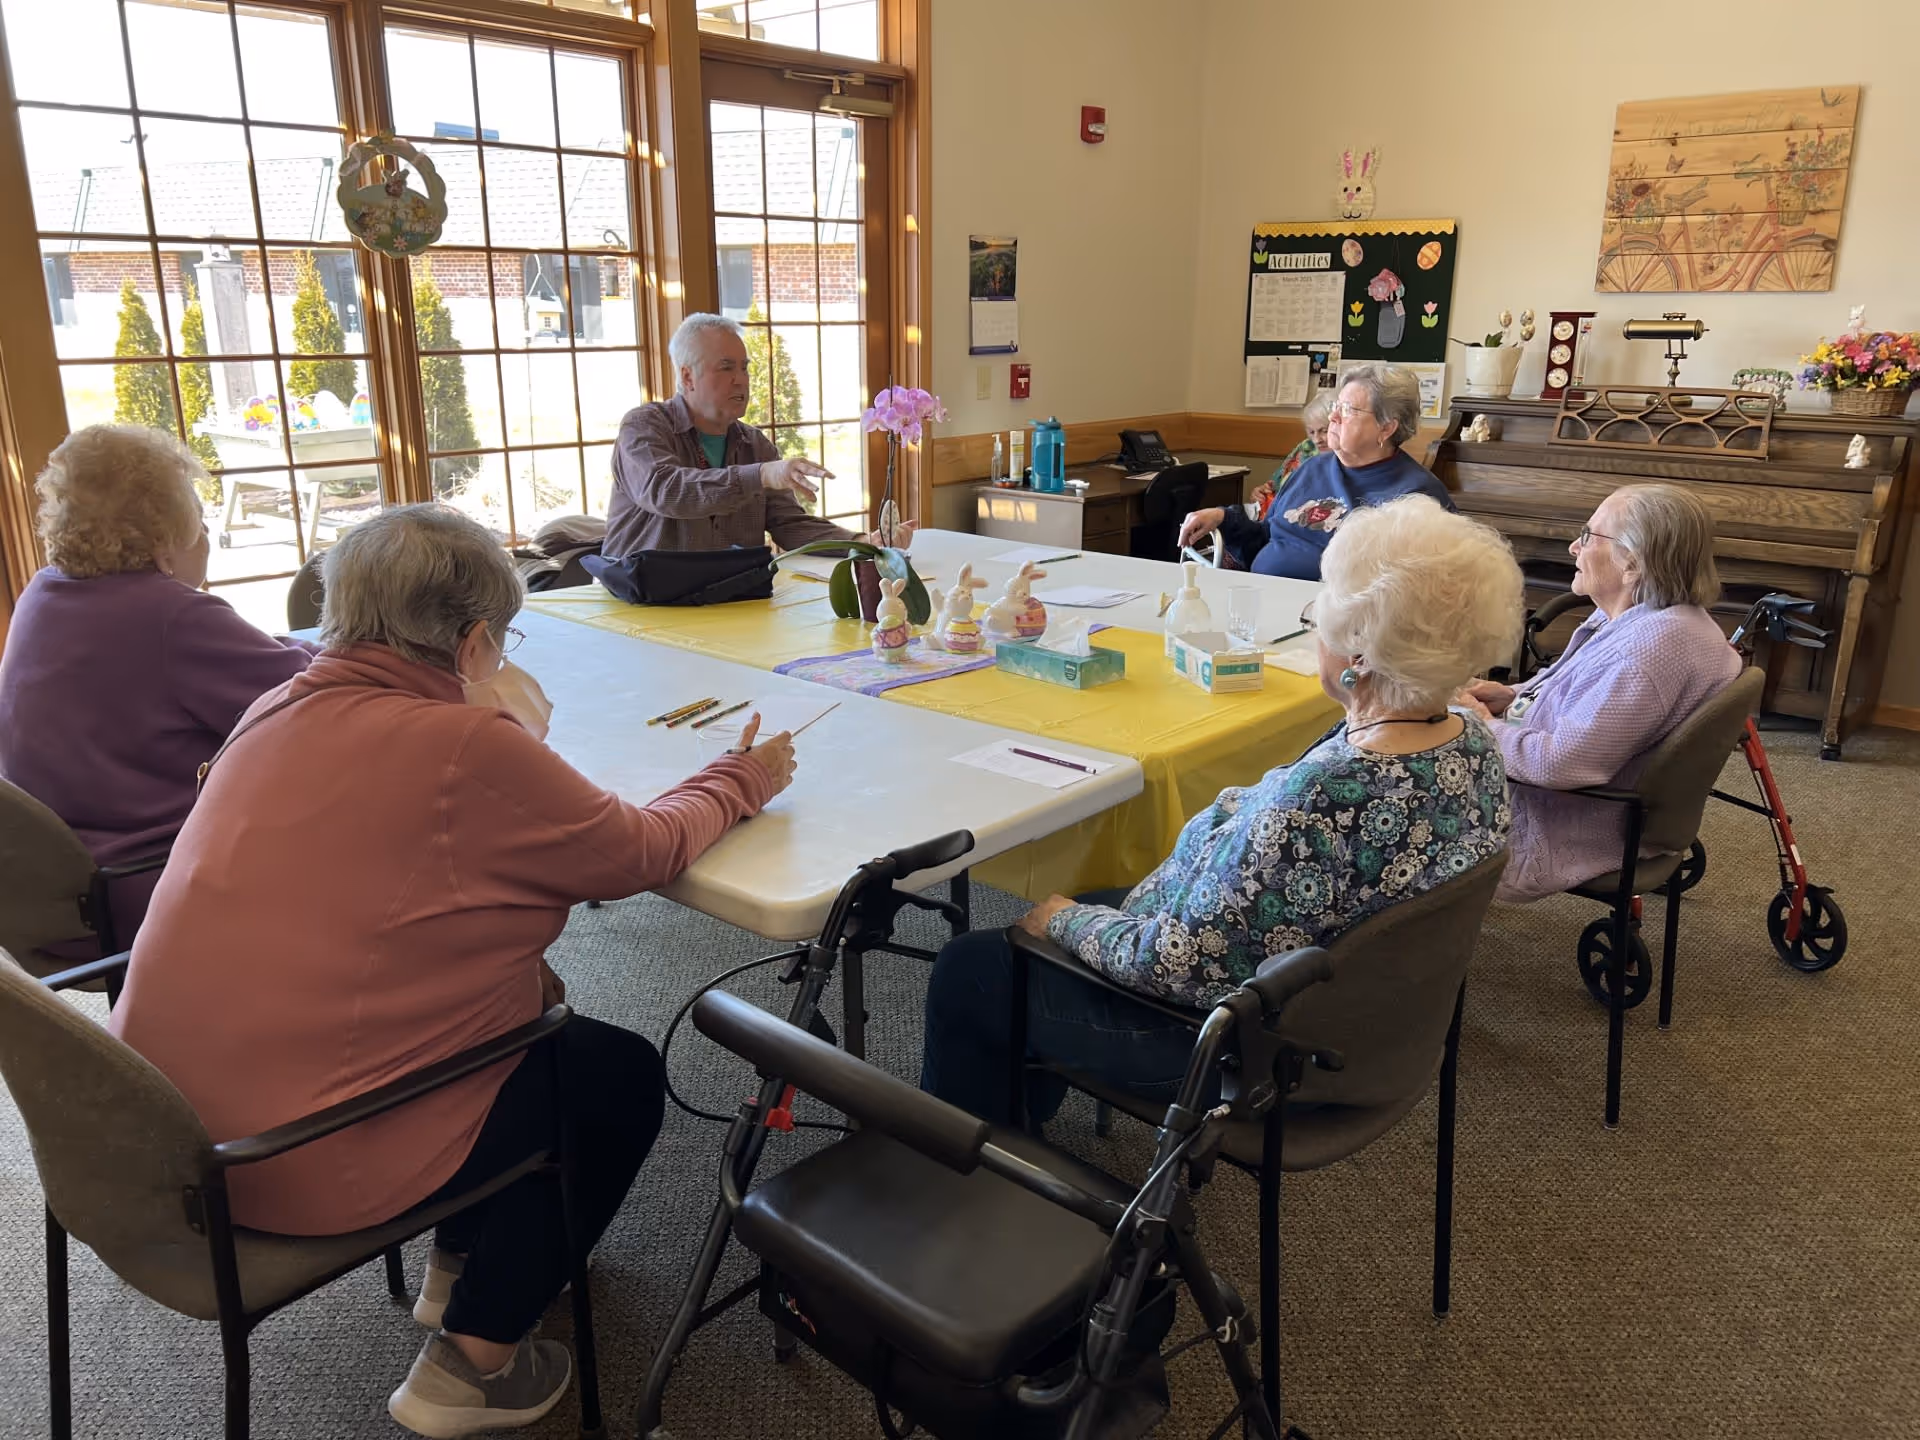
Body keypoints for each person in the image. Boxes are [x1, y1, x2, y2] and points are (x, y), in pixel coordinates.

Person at [108, 504, 799, 1437]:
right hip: (292, 1156)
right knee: (613, 1075)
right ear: (477, 640)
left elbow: (432, 876)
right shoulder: (464, 746)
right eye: (503, 636)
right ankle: (471, 1366)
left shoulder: (274, 708)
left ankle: (455, 1268)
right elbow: (640, 851)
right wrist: (742, 774)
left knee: (520, 1014)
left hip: (165, 1130)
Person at [920, 496, 1521, 1124]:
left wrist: (1067, 925)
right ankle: (1017, 1123)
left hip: (1236, 1048)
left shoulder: (1322, 797)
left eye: (1321, 611)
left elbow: (1176, 965)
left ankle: (977, 1172)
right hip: (1364, 1021)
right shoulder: (1468, 740)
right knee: (1085, 907)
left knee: (977, 964)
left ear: (1360, 656)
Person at [0, 425, 315, 949]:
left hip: (46, 888)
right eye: (198, 515)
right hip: (149, 882)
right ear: (164, 534)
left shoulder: (43, 593)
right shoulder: (171, 615)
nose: (206, 533)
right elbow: (309, 693)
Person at [1460, 484, 1741, 904]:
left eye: (1589, 535)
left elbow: (1559, 765)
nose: (1574, 546)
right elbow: (1579, 694)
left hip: (1568, 822)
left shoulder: (1643, 654)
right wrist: (1512, 695)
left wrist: (1482, 725)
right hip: (1606, 805)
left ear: (1633, 562)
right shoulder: (1665, 619)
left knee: (1384, 791)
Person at [603, 312, 913, 557]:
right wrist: (760, 475)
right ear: (688, 376)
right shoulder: (643, 427)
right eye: (726, 368)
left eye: (744, 368)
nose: (740, 380)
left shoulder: (753, 444)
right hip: (637, 605)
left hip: (722, 598)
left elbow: (790, 524)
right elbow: (665, 490)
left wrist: (861, 541)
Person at [1178, 363, 1453, 580]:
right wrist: (1223, 517)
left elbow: (1407, 588)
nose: (1333, 417)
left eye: (1348, 410)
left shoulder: (1416, 495)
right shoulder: (1311, 468)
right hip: (1262, 599)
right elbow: (1268, 535)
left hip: (1332, 627)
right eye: (1336, 407)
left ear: (1386, 427)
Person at [1250, 391, 1333, 520]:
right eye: (1311, 432)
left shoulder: (1349, 458)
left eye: (1324, 431)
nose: (1317, 440)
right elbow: (1274, 487)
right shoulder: (1306, 449)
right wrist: (1260, 493)